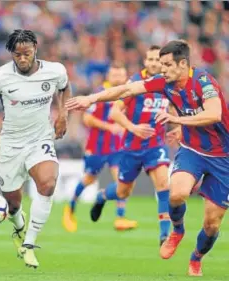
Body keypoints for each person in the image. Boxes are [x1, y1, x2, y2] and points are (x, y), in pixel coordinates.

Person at [66, 40, 229, 277]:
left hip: (222, 157)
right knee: (175, 193)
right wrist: (91, 98)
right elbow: (126, 90)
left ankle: (196, 258)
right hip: (191, 150)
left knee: (212, 223)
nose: (162, 69)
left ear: (183, 64)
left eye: (166, 64)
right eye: (159, 64)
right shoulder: (164, 82)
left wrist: (179, 122)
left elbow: (214, 114)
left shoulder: (204, 82)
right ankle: (176, 230)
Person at [0, 29, 71, 269]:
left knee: (48, 183)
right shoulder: (1, 77)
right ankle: (18, 226)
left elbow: (64, 87)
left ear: (35, 49)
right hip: (10, 144)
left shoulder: (55, 70)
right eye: (17, 55)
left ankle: (29, 244)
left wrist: (63, 114)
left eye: (26, 53)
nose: (22, 59)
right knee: (13, 204)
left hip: (40, 139)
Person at [90, 46, 172, 246]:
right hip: (133, 146)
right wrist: (133, 128)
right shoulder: (135, 83)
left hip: (156, 144)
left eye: (157, 60)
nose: (154, 63)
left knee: (163, 184)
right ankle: (102, 196)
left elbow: (175, 108)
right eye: (150, 59)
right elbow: (115, 113)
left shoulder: (168, 82)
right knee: (122, 191)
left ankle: (164, 236)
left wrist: (178, 127)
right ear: (145, 61)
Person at [62, 63, 137, 233]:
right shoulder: (100, 94)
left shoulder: (128, 94)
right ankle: (70, 208)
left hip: (117, 148)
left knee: (121, 181)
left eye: (121, 75)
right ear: (108, 76)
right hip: (97, 146)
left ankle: (120, 217)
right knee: (88, 179)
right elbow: (87, 119)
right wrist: (109, 127)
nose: (118, 78)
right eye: (115, 75)